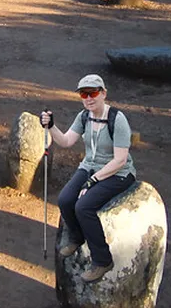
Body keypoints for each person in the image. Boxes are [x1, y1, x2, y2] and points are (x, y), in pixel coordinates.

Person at [40, 74, 137, 283]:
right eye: (84, 94)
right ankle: (77, 237)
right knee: (65, 200)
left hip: (118, 173)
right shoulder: (84, 116)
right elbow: (66, 141)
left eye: (93, 93)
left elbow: (120, 160)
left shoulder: (117, 120)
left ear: (103, 93)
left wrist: (93, 181)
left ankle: (102, 260)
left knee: (84, 207)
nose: (88, 98)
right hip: (89, 167)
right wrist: (51, 126)